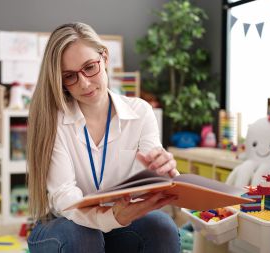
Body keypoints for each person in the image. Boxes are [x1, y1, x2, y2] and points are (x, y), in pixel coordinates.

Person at [26, 22, 180, 253]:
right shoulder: (54, 120)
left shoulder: (141, 112)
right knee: (83, 235)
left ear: (105, 58)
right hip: (62, 226)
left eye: (90, 67)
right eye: (70, 76)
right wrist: (112, 218)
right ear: (59, 80)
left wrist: (162, 172)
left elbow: (149, 178)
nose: (84, 83)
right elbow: (65, 197)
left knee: (162, 227)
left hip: (118, 221)